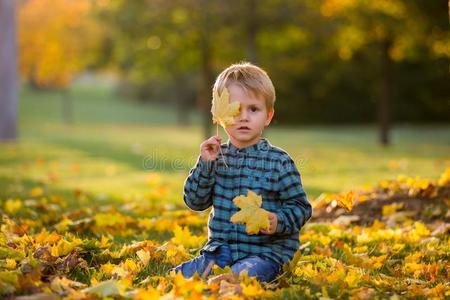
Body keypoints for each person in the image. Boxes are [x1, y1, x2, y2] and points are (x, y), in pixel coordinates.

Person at [172, 62, 312, 283]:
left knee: (251, 272)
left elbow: (301, 207)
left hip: (267, 253)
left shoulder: (279, 161)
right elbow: (194, 201)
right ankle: (221, 276)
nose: (243, 117)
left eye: (253, 109)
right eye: (235, 109)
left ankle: (234, 280)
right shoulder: (215, 156)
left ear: (268, 115)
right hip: (222, 251)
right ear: (219, 114)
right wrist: (205, 165)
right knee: (180, 276)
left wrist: (278, 220)